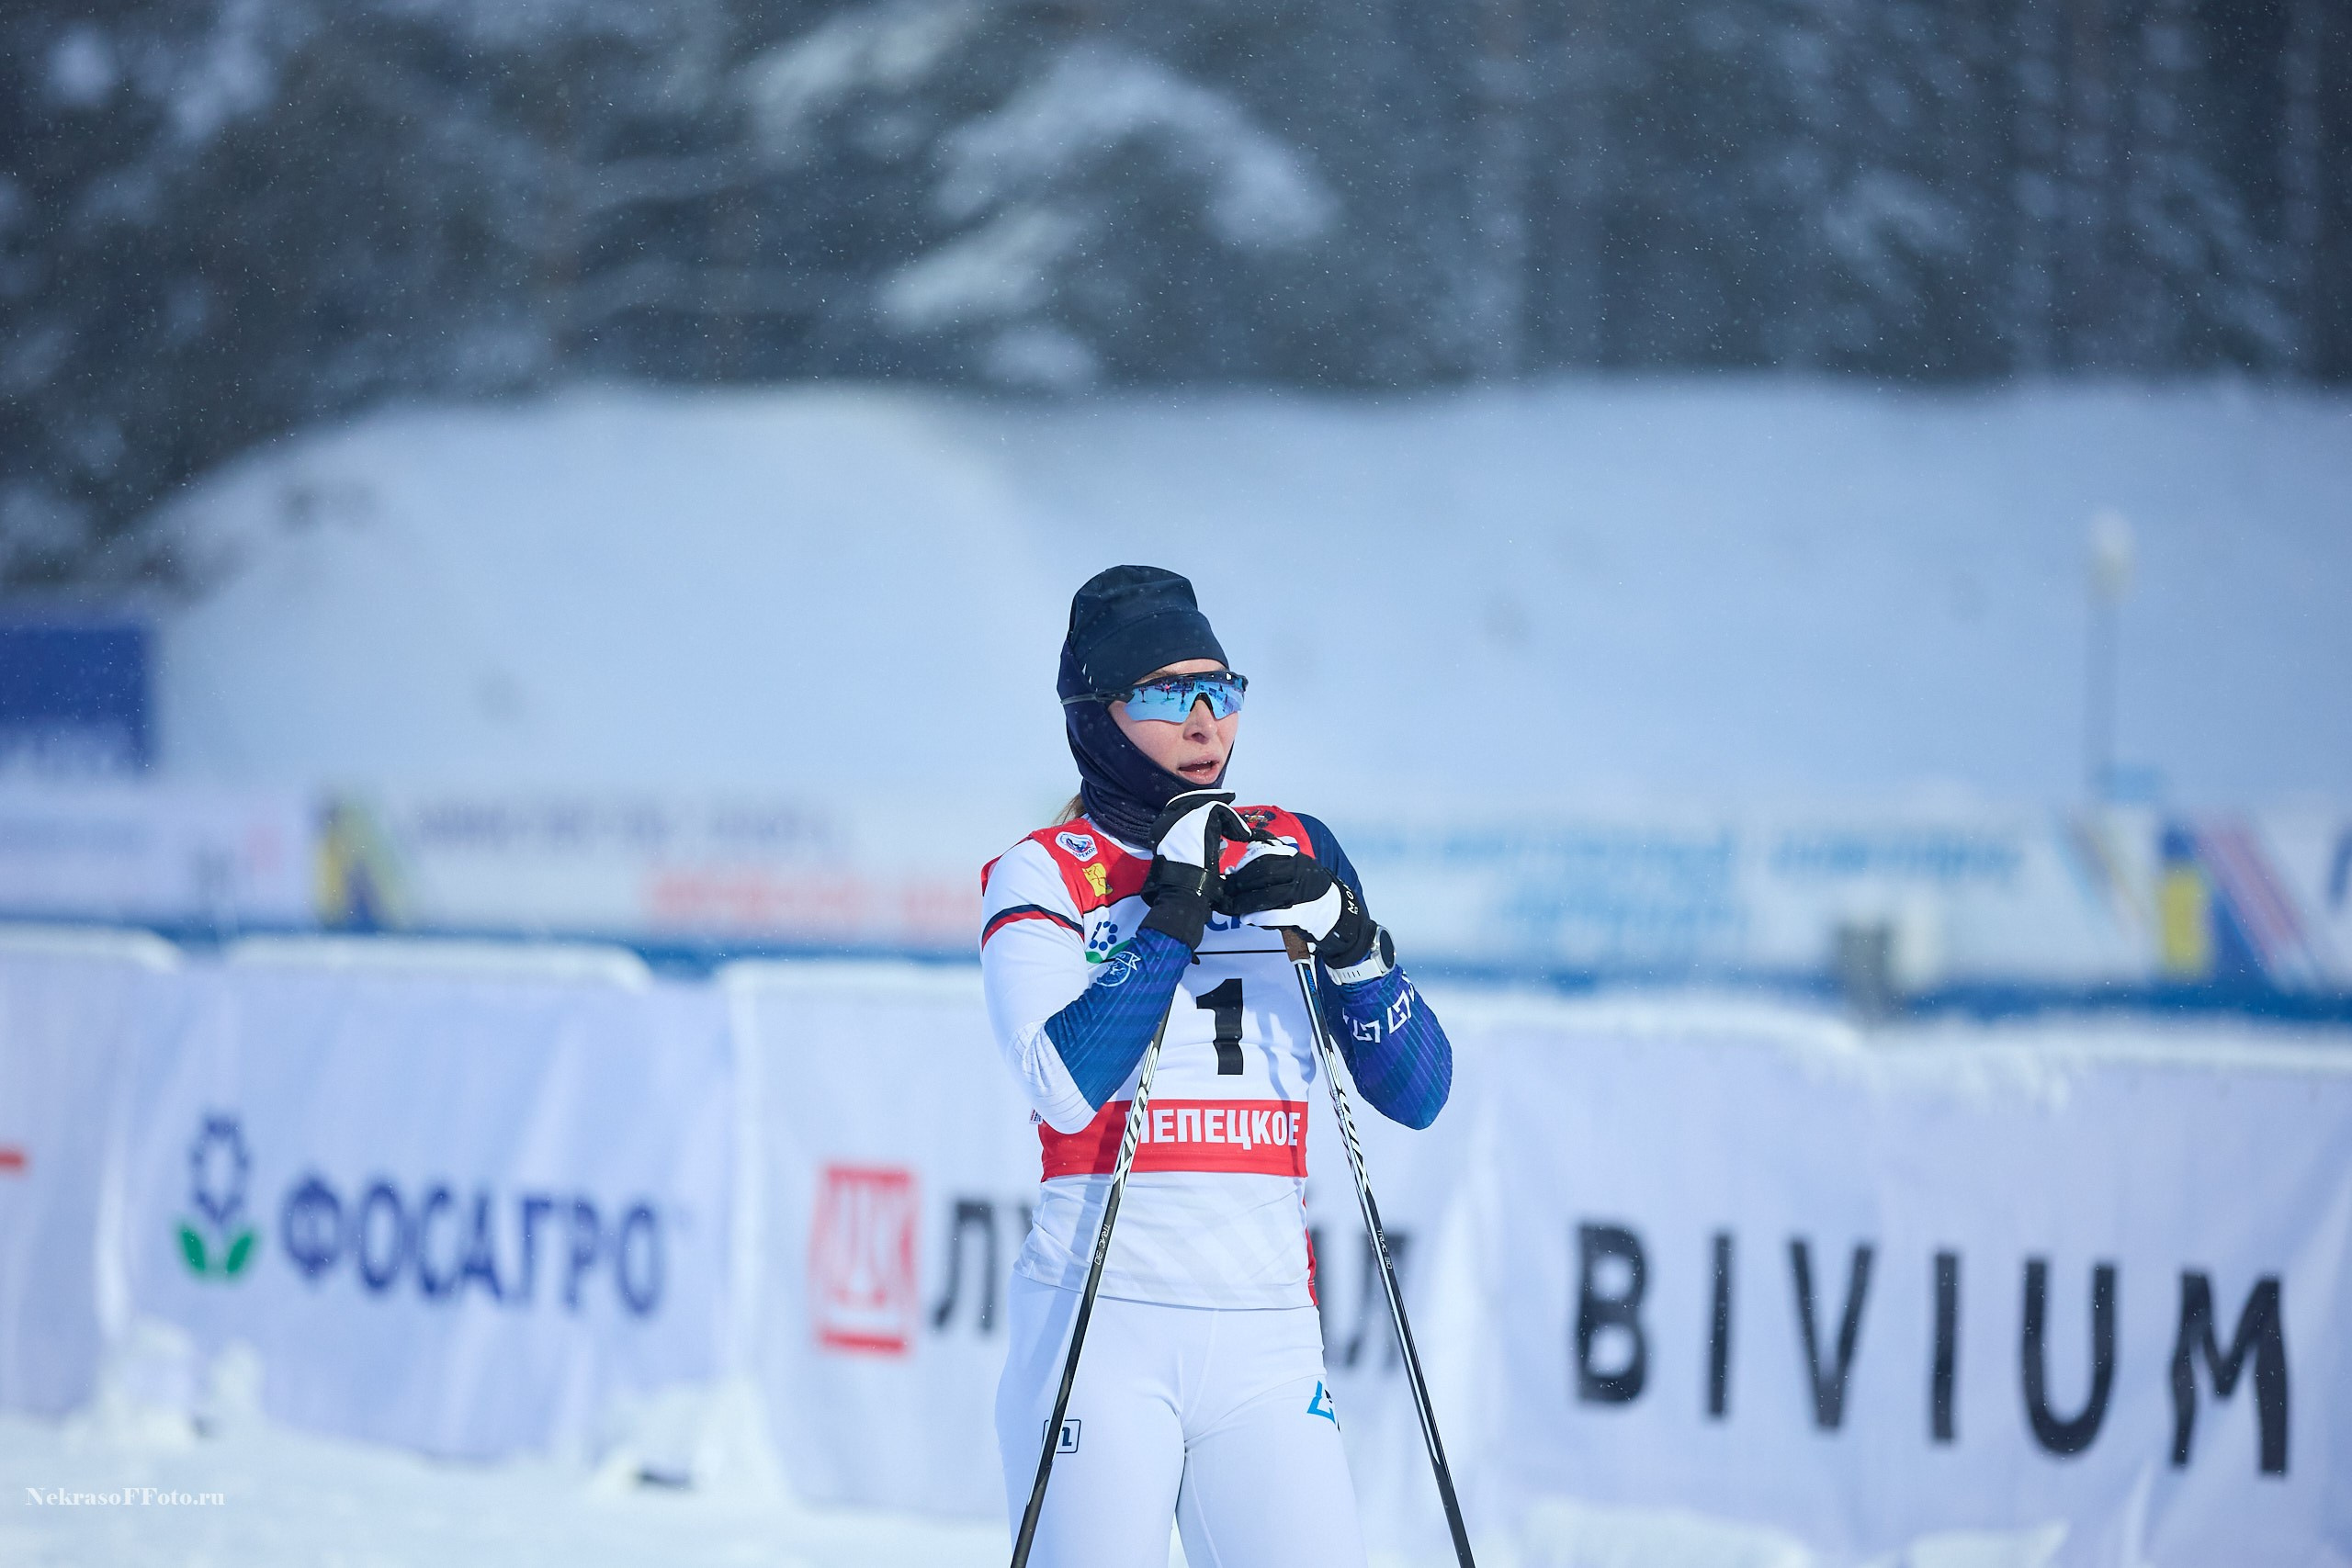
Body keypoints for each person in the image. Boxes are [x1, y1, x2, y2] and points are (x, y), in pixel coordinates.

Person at [980, 564, 1454, 1568]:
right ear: (1098, 716)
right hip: (1098, 1322)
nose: (1204, 722)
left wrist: (1353, 944)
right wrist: (1170, 914)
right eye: (1163, 693)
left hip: (1267, 1334)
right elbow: (1062, 1086)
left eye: (1220, 690)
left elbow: (1419, 1093)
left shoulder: (1296, 845)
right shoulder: (1048, 870)